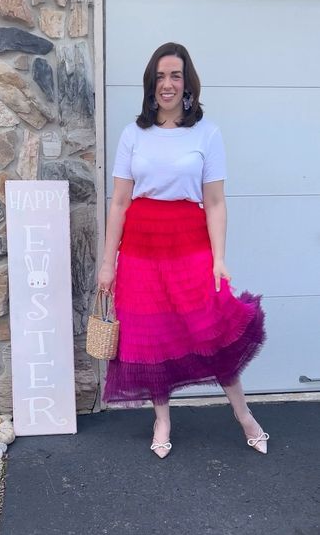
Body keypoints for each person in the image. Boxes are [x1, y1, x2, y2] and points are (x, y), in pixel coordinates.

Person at [97, 42, 269, 459]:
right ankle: (162, 419)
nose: (167, 84)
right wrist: (108, 263)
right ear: (150, 84)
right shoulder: (133, 133)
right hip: (140, 246)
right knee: (150, 334)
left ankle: (244, 415)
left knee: (211, 327)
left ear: (187, 82)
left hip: (189, 241)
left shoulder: (206, 133)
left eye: (175, 76)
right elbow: (119, 202)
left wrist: (219, 257)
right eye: (160, 76)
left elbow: (215, 202)